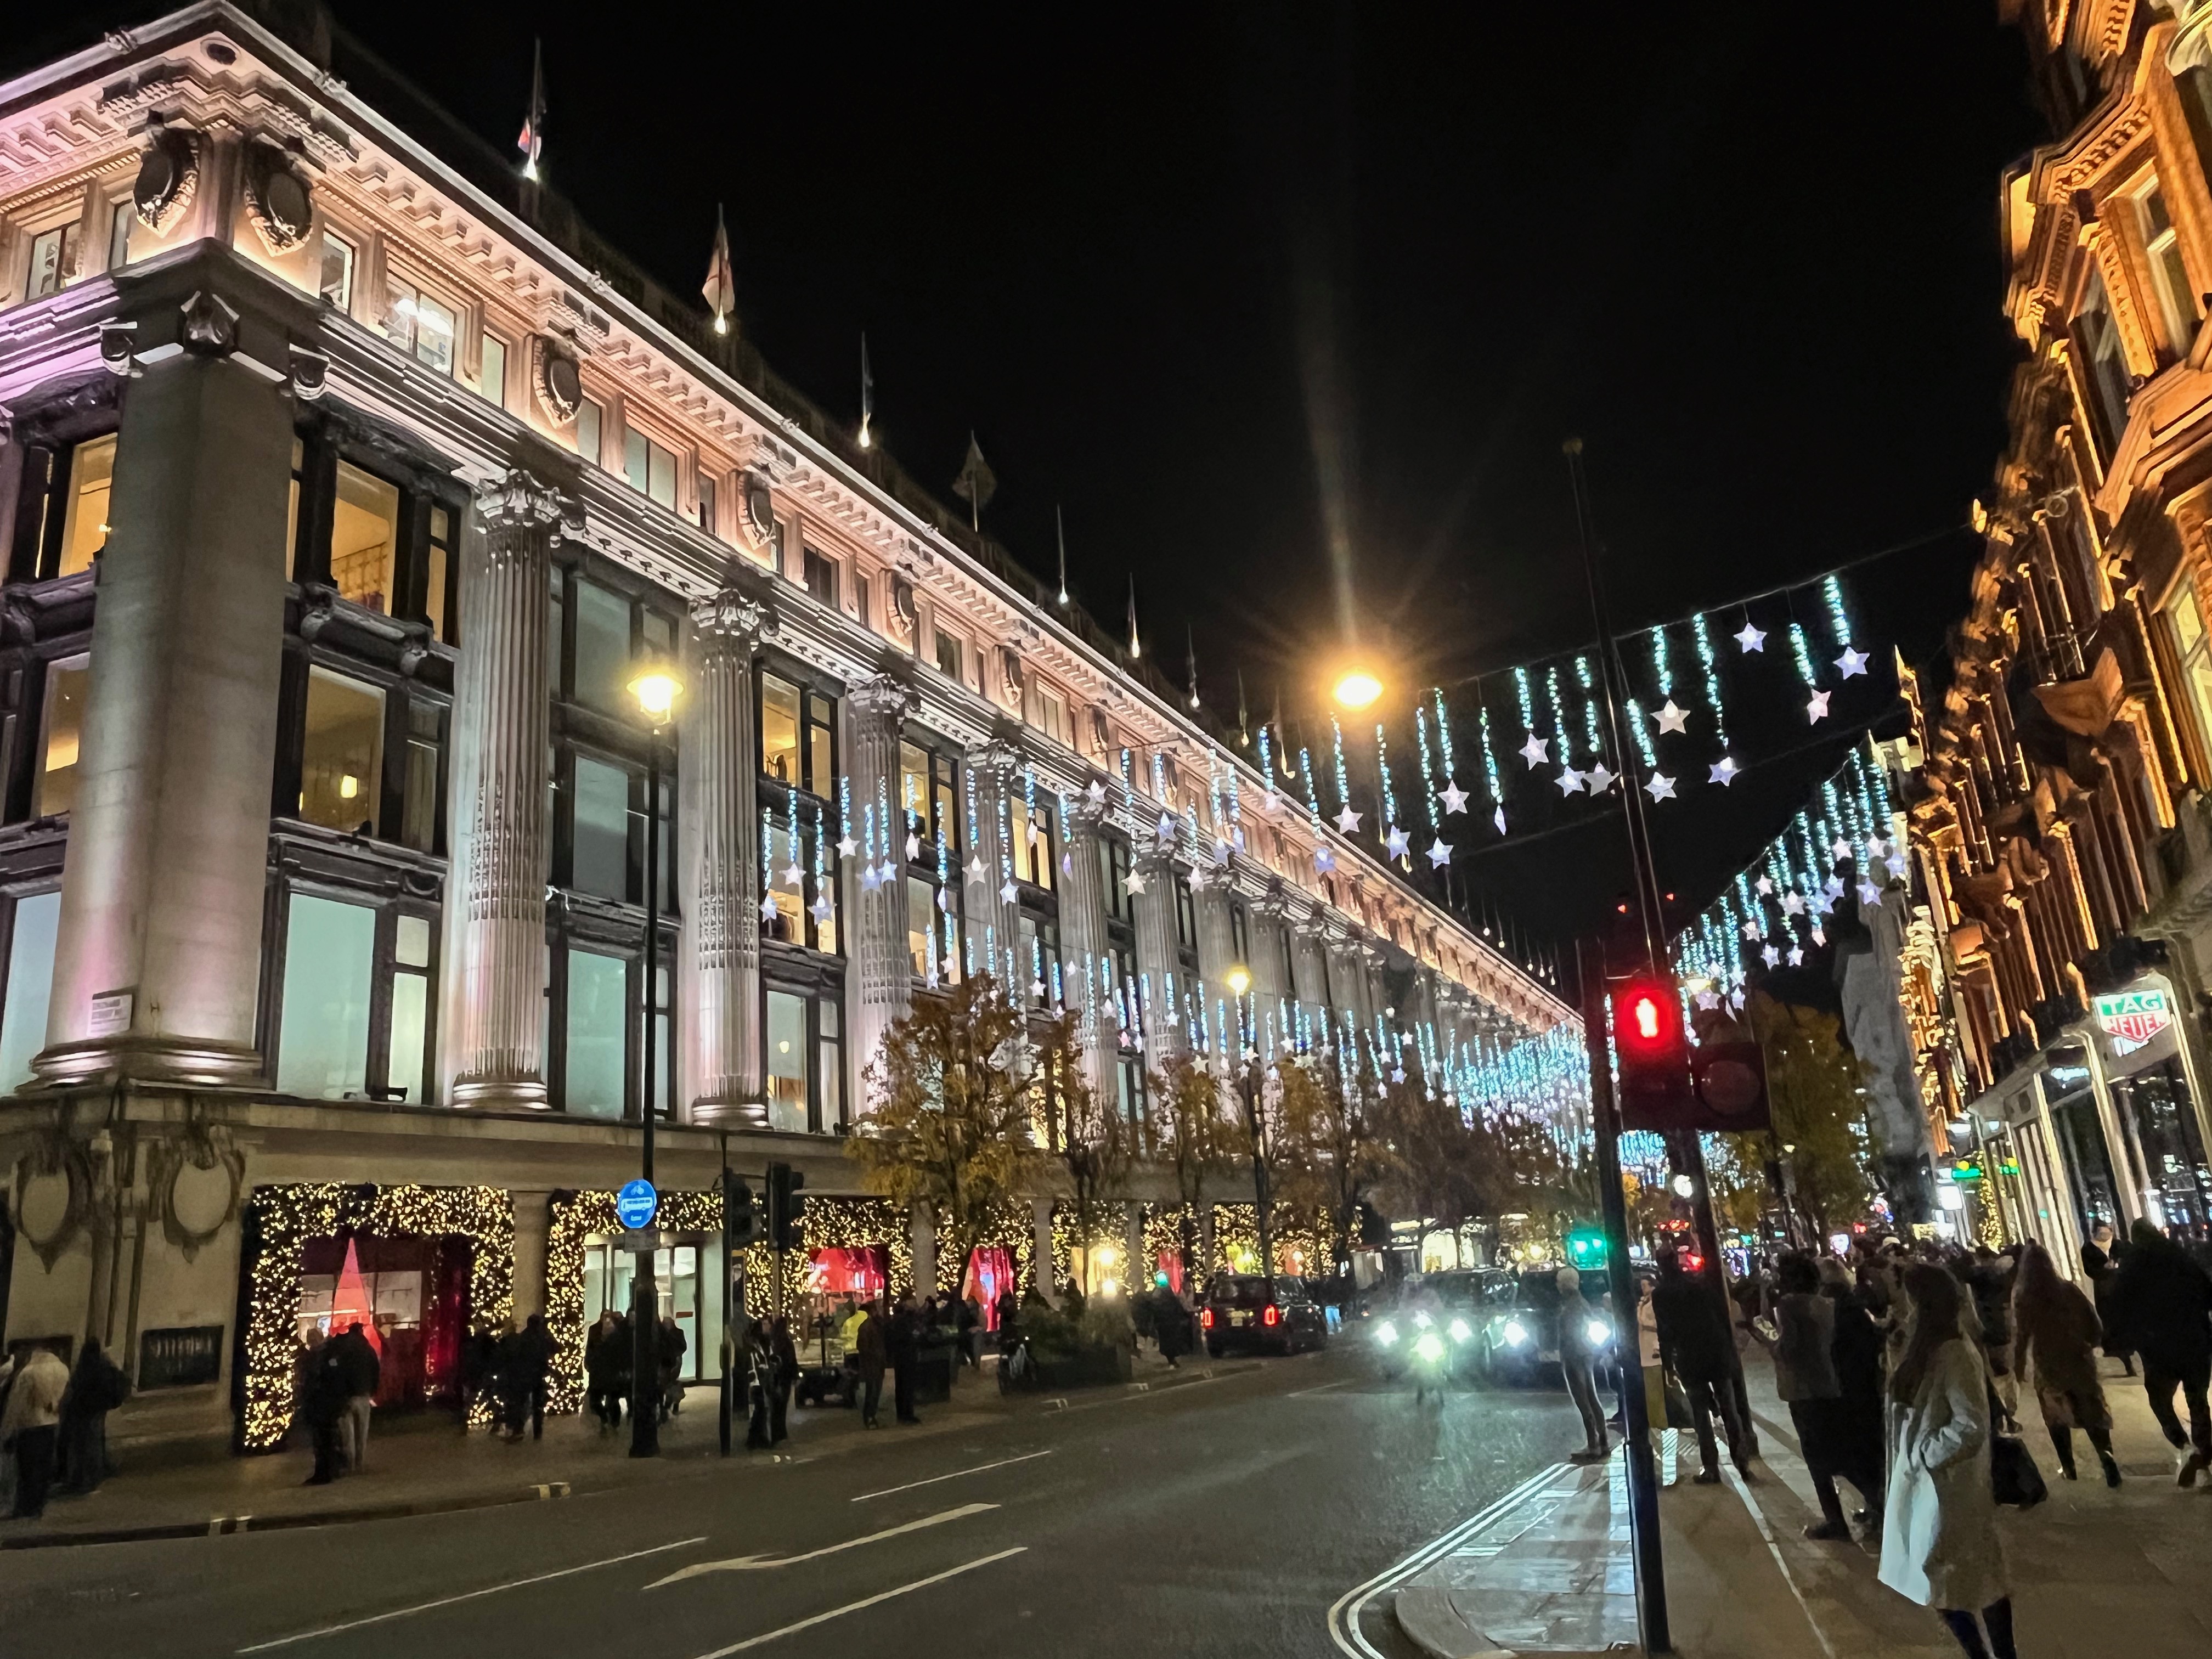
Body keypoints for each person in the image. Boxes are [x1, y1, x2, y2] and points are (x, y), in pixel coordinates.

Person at [1879, 1263, 2013, 1659]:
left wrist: (1926, 1453)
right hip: (1926, 1481)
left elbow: (1970, 1424)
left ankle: (1998, 1655)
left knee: (1964, 1576)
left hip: (1948, 1486)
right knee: (1949, 1577)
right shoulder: (1924, 1345)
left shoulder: (1955, 1351)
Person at [2105, 1217, 2212, 1483]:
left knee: (2160, 1401)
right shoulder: (2180, 1258)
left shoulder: (2132, 1267)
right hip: (2195, 1341)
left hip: (2158, 1347)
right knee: (2198, 1400)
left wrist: (2116, 1341)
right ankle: (2204, 1457)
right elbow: (2208, 1292)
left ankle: (2184, 1447)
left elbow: (2118, 1307)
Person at [1757, 1254, 1857, 1538]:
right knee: (1836, 1449)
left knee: (1815, 1456)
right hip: (1826, 1381)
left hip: (1802, 1386)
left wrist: (1767, 1342)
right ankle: (1874, 1505)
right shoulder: (1825, 1302)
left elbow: (1786, 1347)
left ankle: (1835, 1520)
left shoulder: (1789, 1305)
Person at [2011, 1240, 2117, 1487]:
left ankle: (2069, 1468)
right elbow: (2094, 1322)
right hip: (2079, 1360)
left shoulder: (2025, 1298)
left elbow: (2021, 1338)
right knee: (2091, 1409)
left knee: (2056, 1415)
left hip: (2049, 1365)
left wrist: (2017, 1373)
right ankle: (2107, 1456)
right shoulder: (2068, 1290)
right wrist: (2090, 1344)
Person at [1652, 1247, 1752, 1483]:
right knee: (1729, 1408)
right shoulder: (1700, 1285)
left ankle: (1711, 1468)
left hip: (1690, 1356)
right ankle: (1742, 1461)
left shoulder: (1662, 1294)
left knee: (1701, 1414)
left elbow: (1665, 1333)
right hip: (1716, 1352)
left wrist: (1668, 1366)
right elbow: (1720, 1317)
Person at [1817, 1256, 1887, 1533]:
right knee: (1865, 1454)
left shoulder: (1840, 1309)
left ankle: (1879, 1507)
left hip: (1852, 1391)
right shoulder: (1851, 1305)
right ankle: (1875, 1507)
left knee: (1859, 1456)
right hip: (1860, 1389)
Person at [2, 1340, 70, 1519]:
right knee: (44, 1468)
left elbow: (16, 1405)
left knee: (27, 1470)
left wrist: (7, 1431)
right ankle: (38, 1506)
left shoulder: (28, 1373)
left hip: (29, 1427)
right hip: (51, 1424)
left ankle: (25, 1507)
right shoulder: (62, 1368)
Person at [56, 1336, 130, 1494]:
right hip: (97, 1412)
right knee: (93, 1446)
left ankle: (81, 1481)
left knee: (81, 1448)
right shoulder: (103, 1367)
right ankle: (92, 1478)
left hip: (81, 1413)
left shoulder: (83, 1369)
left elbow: (75, 1389)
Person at [1556, 1266, 1610, 1463]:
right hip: (1585, 1353)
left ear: (1565, 1284)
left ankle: (1594, 1444)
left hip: (1574, 1355)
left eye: (1559, 1282)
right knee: (1592, 1396)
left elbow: (1570, 1333)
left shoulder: (1571, 1305)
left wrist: (1564, 1353)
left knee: (1583, 1398)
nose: (1557, 1286)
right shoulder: (1581, 1302)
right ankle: (1602, 1440)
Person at [1968, 1248, 2019, 1432]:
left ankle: (2004, 1417)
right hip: (1999, 1332)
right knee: (2006, 1374)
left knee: (1998, 1376)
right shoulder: (2001, 1278)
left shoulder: (1979, 1280)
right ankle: (2010, 1414)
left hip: (1988, 1334)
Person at [300, 1328, 352, 1486]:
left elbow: (323, 1380)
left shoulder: (321, 1357)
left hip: (322, 1405)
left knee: (324, 1440)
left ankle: (325, 1473)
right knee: (326, 1439)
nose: (312, 1341)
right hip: (324, 1405)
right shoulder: (323, 1355)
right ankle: (328, 1470)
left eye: (313, 1337)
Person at [2080, 1224, 2132, 1378]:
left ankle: (2129, 1352)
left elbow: (2129, 1260)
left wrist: (2118, 1265)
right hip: (2104, 1289)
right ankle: (2122, 1356)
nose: (2104, 1235)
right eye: (2101, 1232)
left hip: (2122, 1287)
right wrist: (2104, 1269)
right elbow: (2089, 1270)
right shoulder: (2089, 1249)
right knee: (2111, 1321)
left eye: (2107, 1232)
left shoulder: (2119, 1245)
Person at [331, 1322, 381, 1472]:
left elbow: (336, 1370)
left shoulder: (342, 1351)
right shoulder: (368, 1350)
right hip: (364, 1395)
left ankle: (350, 1465)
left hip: (346, 1397)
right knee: (362, 1433)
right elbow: (376, 1371)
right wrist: (373, 1391)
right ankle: (360, 1463)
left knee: (349, 1435)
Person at [505, 1314, 554, 1442]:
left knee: (522, 1404)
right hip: (536, 1375)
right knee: (536, 1405)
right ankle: (537, 1433)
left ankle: (519, 1430)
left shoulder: (524, 1337)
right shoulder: (541, 1338)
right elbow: (555, 1348)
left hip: (525, 1375)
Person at [585, 1310, 625, 1431]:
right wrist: (589, 1362)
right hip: (599, 1370)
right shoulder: (595, 1330)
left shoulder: (617, 1334)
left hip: (610, 1371)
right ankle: (606, 1418)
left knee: (612, 1399)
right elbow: (591, 1348)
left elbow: (619, 1353)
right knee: (597, 1400)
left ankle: (613, 1421)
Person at [888, 1295, 923, 1424]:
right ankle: (906, 1414)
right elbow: (904, 1337)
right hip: (905, 1357)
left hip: (904, 1357)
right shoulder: (903, 1321)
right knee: (906, 1387)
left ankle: (904, 1413)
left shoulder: (904, 1319)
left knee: (904, 1386)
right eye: (912, 1302)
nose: (915, 1304)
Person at [855, 1299, 888, 1428]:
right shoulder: (867, 1327)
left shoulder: (877, 1325)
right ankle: (869, 1416)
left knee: (875, 1390)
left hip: (877, 1362)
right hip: (872, 1363)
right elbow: (863, 1347)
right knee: (872, 1390)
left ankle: (871, 1415)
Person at [744, 1319, 774, 1451]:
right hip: (757, 1383)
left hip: (762, 1381)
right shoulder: (753, 1348)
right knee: (760, 1410)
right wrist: (755, 1381)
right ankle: (755, 1438)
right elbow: (752, 1367)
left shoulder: (761, 1345)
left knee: (761, 1410)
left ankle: (757, 1438)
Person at [769, 1315, 797, 1443]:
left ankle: (776, 1433)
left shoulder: (772, 1341)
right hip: (785, 1377)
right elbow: (792, 1360)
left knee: (775, 1406)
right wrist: (795, 1375)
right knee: (783, 1406)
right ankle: (781, 1432)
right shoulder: (786, 1342)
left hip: (774, 1377)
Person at [1155, 1282, 1193, 1369]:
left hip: (1166, 1326)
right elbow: (1179, 1310)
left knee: (1169, 1344)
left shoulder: (1161, 1301)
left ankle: (1171, 1360)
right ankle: (1172, 1360)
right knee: (1172, 1343)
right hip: (1170, 1325)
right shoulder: (1171, 1300)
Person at [657, 1314, 688, 1421]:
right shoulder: (661, 1335)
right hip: (665, 1362)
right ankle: (667, 1404)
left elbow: (683, 1347)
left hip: (675, 1361)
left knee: (671, 1382)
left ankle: (672, 1402)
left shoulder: (678, 1333)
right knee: (666, 1383)